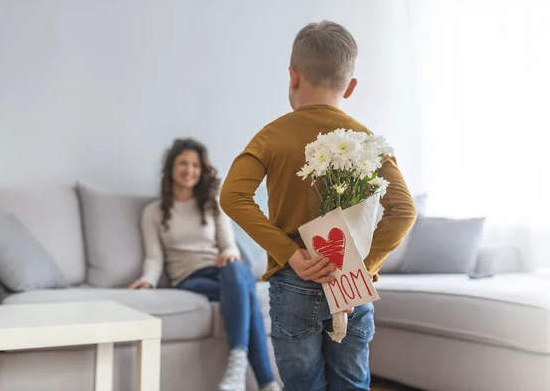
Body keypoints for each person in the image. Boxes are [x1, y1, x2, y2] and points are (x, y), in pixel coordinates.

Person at [220, 21, 417, 391]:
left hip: (294, 281)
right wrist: (363, 265)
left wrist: (291, 254)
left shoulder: (272, 135)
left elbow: (232, 196)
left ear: (293, 76)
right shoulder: (365, 139)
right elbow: (404, 210)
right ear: (351, 85)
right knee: (351, 383)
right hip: (351, 283)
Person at [128, 138, 280, 391]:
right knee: (247, 294)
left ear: (202, 170)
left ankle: (239, 368)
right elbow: (154, 257)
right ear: (171, 168)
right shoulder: (153, 212)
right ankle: (266, 382)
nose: (189, 170)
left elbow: (228, 245)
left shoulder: (213, 205)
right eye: (183, 163)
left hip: (222, 271)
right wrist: (147, 280)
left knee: (236, 271)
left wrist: (230, 254)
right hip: (189, 278)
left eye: (195, 165)